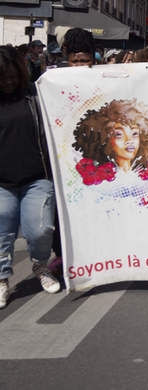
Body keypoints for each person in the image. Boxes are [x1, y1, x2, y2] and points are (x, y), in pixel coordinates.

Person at [1, 45, 61, 309]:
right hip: (2, 182)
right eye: (3, 78)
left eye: (13, 77)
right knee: (2, 233)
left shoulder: (34, 96)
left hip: (37, 177)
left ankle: (40, 265)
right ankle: (1, 279)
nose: (8, 82)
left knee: (40, 230)